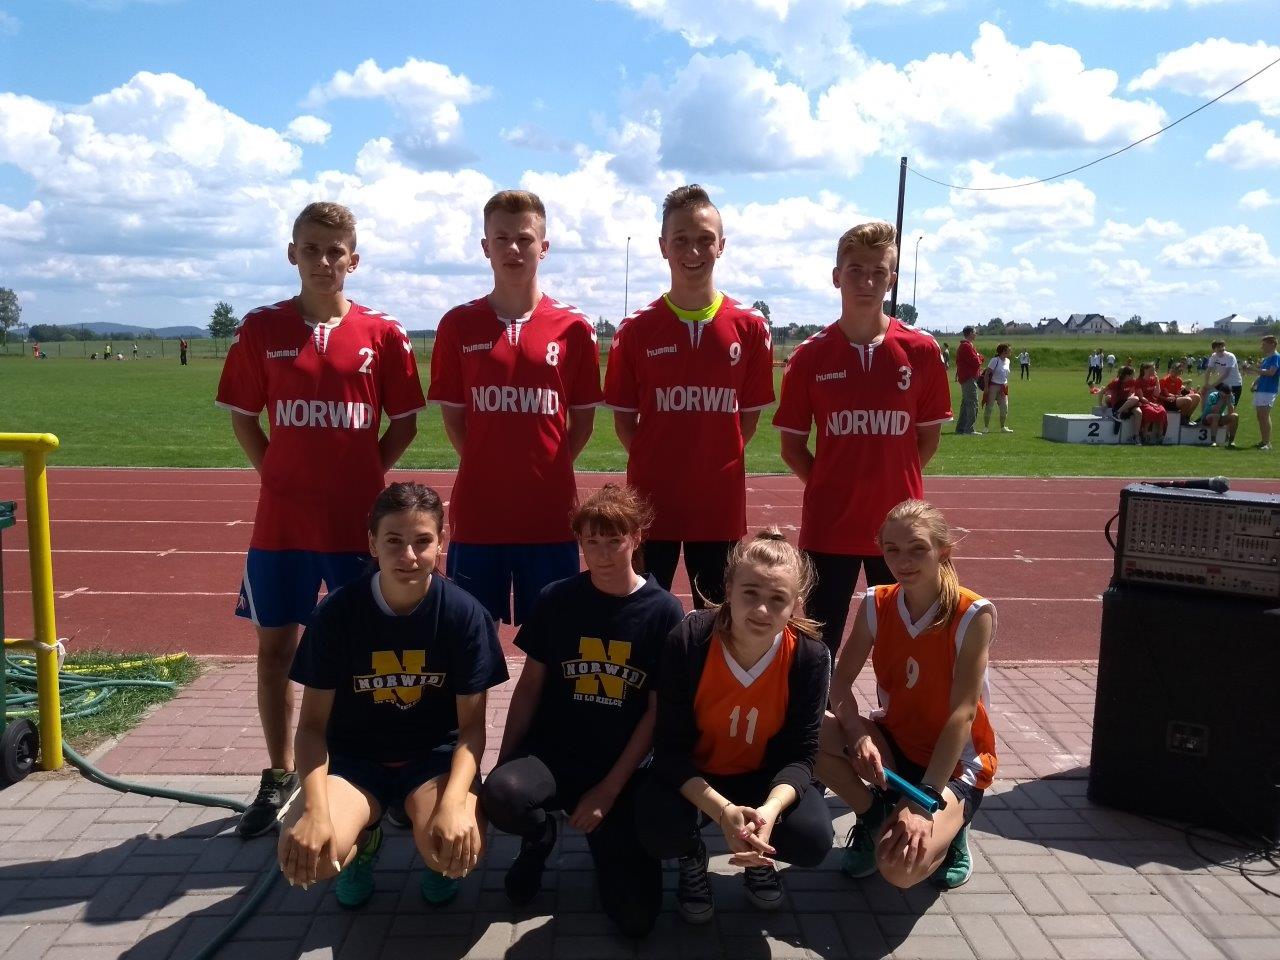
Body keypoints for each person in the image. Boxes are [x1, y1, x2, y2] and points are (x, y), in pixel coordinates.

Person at [215, 201, 426, 837]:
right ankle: (279, 773)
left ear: (353, 260)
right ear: (293, 254)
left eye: (336, 251)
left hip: (356, 528)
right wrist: (274, 472)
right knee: (275, 649)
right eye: (311, 248)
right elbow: (243, 416)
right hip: (281, 526)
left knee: (371, 650)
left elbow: (406, 423)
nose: (323, 261)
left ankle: (373, 770)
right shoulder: (262, 328)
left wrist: (364, 473)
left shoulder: (383, 333)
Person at [277, 483, 508, 908]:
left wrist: (453, 804)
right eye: (394, 541)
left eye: (423, 541)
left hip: (432, 759)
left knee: (457, 852)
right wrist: (314, 809)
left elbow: (472, 731)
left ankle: (430, 847)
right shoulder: (338, 613)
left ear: (441, 542)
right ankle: (365, 843)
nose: (409, 556)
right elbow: (310, 728)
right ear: (372, 543)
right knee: (310, 859)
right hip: (354, 760)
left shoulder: (463, 614)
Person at [481, 484, 684, 937]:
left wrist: (607, 792)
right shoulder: (557, 598)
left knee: (637, 921)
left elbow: (656, 713)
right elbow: (529, 687)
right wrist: (504, 763)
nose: (602, 554)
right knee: (502, 793)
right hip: (556, 754)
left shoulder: (664, 611)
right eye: (591, 541)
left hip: (621, 768)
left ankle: (609, 841)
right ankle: (539, 839)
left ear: (637, 537)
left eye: (614, 540)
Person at [773, 221, 951, 656]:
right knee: (819, 645)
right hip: (829, 527)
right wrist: (831, 484)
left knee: (904, 645)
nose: (867, 282)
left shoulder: (922, 351)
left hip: (902, 530)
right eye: (855, 270)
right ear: (837, 276)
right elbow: (792, 448)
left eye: (878, 272)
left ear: (892, 279)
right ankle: (821, 704)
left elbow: (927, 440)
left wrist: (891, 483)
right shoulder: (809, 356)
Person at [636, 532, 833, 923]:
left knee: (812, 839)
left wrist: (768, 813)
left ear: (796, 602)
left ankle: (759, 855)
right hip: (697, 773)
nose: (761, 609)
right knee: (656, 826)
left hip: (762, 778)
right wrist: (723, 811)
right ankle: (691, 854)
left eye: (777, 598)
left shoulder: (809, 656)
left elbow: (802, 755)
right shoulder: (690, 641)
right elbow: (669, 750)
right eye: (750, 593)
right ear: (728, 589)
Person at [428, 190, 602, 628]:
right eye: (501, 238)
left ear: (544, 247)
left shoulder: (575, 327)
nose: (513, 249)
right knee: (471, 635)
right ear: (485, 246)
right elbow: (455, 419)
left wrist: (547, 467)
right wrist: (487, 463)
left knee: (551, 636)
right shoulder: (457, 324)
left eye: (525, 239)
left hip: (550, 515)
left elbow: (582, 422)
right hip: (479, 513)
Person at [604, 185, 774, 608]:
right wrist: (657, 462)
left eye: (704, 239)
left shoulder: (751, 326)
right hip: (650, 502)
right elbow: (624, 422)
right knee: (644, 612)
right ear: (663, 246)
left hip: (719, 504)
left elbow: (748, 420)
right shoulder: (635, 328)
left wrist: (715, 460)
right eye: (680, 239)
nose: (693, 251)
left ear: (722, 245)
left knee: (716, 616)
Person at [816, 499, 996, 891]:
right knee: (808, 734)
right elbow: (840, 682)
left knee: (899, 869)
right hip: (897, 744)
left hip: (952, 763)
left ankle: (952, 827)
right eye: (892, 549)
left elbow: (963, 714)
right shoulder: (876, 602)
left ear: (942, 551)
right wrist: (857, 733)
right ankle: (874, 816)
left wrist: (925, 798)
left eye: (917, 549)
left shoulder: (973, 613)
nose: (903, 561)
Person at [1243, 334, 1277, 451]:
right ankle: (1264, 441)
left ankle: (1267, 443)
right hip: (1261, 389)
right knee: (1260, 416)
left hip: (1269, 390)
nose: (1262, 347)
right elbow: (1262, 374)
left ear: (1272, 344)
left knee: (1264, 416)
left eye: (1264, 344)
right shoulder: (1267, 358)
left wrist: (1252, 368)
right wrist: (1255, 383)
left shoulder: (1275, 357)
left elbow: (1271, 372)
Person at [954, 327, 982, 435]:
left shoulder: (967, 345)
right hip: (969, 378)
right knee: (972, 403)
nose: (976, 334)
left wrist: (978, 357)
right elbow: (976, 362)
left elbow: (978, 359)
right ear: (970, 333)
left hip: (967, 378)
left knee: (966, 404)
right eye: (975, 332)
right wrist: (979, 357)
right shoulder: (966, 346)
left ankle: (961, 428)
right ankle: (969, 429)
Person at [1101, 365, 1142, 440]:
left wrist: (1131, 396)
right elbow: (1101, 392)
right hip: (1118, 403)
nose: (1134, 376)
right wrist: (1100, 405)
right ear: (1127, 375)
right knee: (1136, 398)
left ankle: (1136, 436)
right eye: (1133, 374)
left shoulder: (1133, 381)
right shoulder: (1116, 382)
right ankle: (1117, 412)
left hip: (1127, 402)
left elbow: (1133, 392)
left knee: (1139, 412)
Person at [980, 343, 1012, 434]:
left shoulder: (1008, 361)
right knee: (989, 407)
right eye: (1009, 349)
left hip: (1003, 386)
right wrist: (986, 387)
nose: (1010, 351)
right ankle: (986, 427)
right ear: (1003, 351)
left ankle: (1003, 427)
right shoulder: (995, 360)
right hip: (993, 386)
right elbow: (987, 374)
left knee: (1004, 407)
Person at [1202, 339, 1242, 413]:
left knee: (1231, 411)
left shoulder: (1230, 356)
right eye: (1218, 347)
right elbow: (1208, 370)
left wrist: (1212, 386)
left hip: (1234, 384)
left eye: (1222, 346)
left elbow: (1226, 374)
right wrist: (1206, 384)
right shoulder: (1214, 356)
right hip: (1222, 384)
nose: (1221, 349)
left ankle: (1227, 418)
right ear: (1214, 349)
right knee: (1205, 392)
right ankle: (1204, 416)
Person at [1134, 362, 1168, 445]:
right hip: (1144, 402)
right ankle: (1144, 435)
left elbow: (1157, 394)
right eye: (1152, 369)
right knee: (1150, 411)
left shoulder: (1153, 380)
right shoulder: (1139, 381)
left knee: (1162, 411)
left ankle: (1160, 435)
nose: (1154, 370)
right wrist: (1150, 404)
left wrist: (1157, 381)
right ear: (1146, 370)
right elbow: (1141, 397)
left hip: (1153, 401)